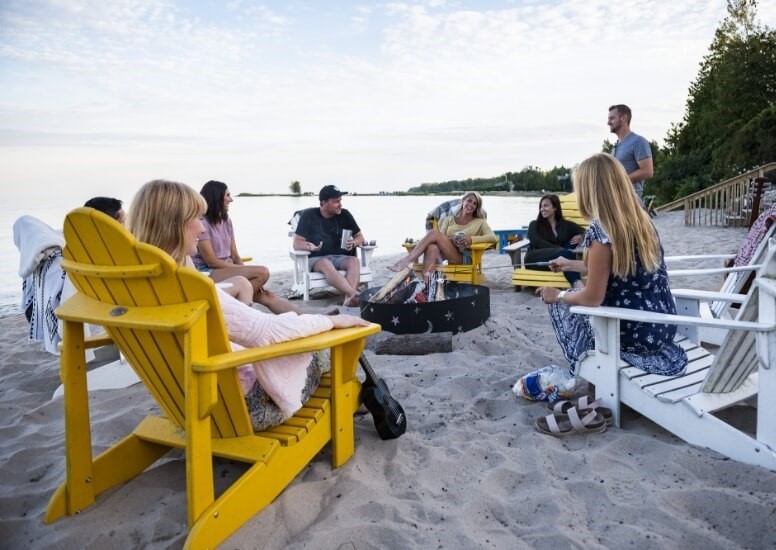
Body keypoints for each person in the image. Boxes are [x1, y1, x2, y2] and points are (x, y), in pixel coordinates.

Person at [127, 179, 370, 430]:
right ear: (173, 225)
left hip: (182, 403)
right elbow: (268, 332)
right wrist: (330, 321)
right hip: (240, 409)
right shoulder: (192, 288)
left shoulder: (137, 289)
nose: (201, 228)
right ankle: (353, 400)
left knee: (287, 325)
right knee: (327, 345)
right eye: (196, 219)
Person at [531, 153, 687, 400]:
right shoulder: (640, 220)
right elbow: (621, 271)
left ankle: (597, 381)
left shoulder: (600, 229)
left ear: (589, 190)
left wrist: (558, 295)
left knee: (570, 305)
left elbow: (593, 297)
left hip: (632, 331)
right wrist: (570, 264)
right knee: (576, 297)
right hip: (662, 327)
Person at [192, 180, 301, 314]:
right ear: (216, 197)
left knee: (268, 296)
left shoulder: (226, 221)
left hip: (226, 269)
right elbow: (212, 262)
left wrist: (248, 274)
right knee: (262, 272)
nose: (231, 199)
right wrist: (247, 272)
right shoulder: (202, 223)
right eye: (227, 195)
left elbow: (235, 255)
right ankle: (237, 311)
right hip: (207, 272)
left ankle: (309, 317)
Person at [388, 191, 497, 276]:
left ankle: (406, 261)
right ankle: (427, 283)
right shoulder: (449, 220)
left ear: (476, 207)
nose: (471, 205)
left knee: (434, 233)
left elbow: (493, 238)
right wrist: (451, 240)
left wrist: (471, 239)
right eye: (469, 201)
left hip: (463, 257)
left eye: (475, 203)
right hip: (448, 254)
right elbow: (441, 239)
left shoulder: (479, 222)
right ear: (463, 200)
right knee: (432, 247)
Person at [293, 185, 366, 307]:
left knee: (354, 261)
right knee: (326, 263)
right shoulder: (309, 216)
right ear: (324, 203)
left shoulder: (345, 214)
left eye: (340, 200)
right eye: (336, 201)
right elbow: (297, 243)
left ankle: (348, 300)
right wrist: (310, 247)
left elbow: (360, 237)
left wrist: (353, 243)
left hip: (339, 257)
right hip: (316, 259)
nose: (340, 204)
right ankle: (353, 294)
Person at [524, 194, 585, 288]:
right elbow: (537, 241)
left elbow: (586, 232)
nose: (542, 209)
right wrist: (561, 250)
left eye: (546, 206)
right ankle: (578, 285)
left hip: (555, 263)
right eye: (541, 206)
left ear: (555, 207)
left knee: (568, 248)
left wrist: (581, 237)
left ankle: (578, 286)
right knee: (566, 253)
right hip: (535, 259)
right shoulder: (534, 224)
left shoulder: (566, 225)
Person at [608, 104, 653, 200]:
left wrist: (621, 180)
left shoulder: (638, 141)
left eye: (612, 118)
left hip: (631, 199)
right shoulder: (615, 147)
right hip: (617, 199)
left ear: (623, 118)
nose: (608, 122)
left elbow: (648, 172)